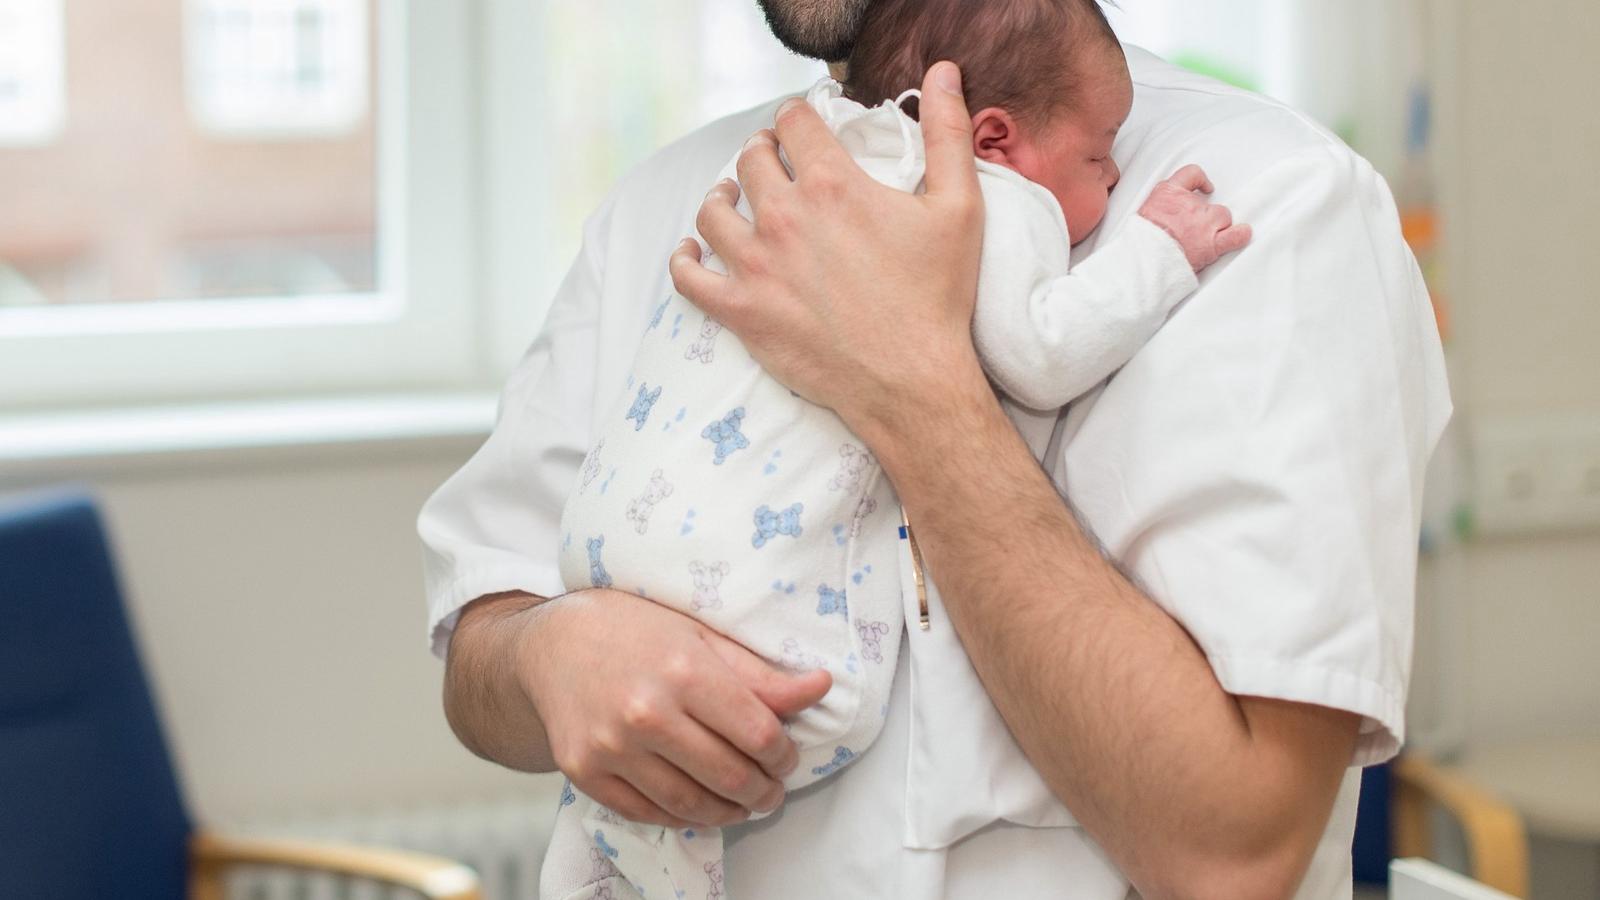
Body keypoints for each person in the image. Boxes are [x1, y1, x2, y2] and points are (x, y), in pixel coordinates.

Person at [419, 1, 1452, 896]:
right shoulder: (673, 198)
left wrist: (911, 386)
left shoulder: (1264, 207)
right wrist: (549, 656)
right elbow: (482, 639)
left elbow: (1235, 859)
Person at [541, 2, 1248, 894]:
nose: (1111, 180)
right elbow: (1040, 354)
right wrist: (1160, 251)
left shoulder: (789, 157)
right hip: (760, 639)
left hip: (621, 557)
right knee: (782, 737)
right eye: (1099, 157)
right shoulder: (993, 197)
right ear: (990, 135)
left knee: (625, 822)